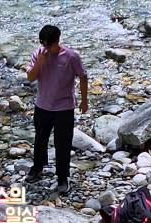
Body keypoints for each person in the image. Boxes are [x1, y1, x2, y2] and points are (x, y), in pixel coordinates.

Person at [25, 24, 88, 195]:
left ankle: (62, 177)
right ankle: (37, 168)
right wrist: (39, 63)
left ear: (57, 41)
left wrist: (84, 101)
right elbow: (30, 78)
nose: (45, 48)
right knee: (40, 139)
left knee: (63, 144)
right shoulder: (38, 54)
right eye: (42, 44)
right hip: (42, 106)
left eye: (48, 45)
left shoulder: (71, 56)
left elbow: (83, 77)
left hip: (64, 108)